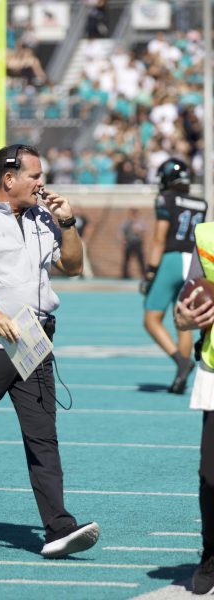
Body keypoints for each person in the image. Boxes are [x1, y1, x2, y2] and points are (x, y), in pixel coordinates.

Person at [0, 144, 100, 557]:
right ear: (9, 179)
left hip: (33, 341)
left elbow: (74, 266)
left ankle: (58, 528)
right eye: (35, 175)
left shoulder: (44, 216)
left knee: (43, 439)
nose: (42, 183)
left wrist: (68, 223)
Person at [140, 157, 207, 393]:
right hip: (194, 260)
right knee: (183, 321)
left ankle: (180, 361)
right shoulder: (201, 202)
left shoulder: (165, 199)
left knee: (151, 319)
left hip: (171, 259)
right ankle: (181, 379)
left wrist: (149, 273)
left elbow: (160, 238)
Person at [174, 221, 214, 595]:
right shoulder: (207, 237)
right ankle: (211, 553)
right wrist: (184, 319)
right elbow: (184, 305)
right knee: (211, 474)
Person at [120, 208, 146, 279]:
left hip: (137, 243)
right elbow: (123, 232)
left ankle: (144, 274)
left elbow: (143, 232)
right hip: (129, 242)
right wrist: (123, 241)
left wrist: (138, 230)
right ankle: (125, 275)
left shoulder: (139, 222)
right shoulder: (127, 222)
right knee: (126, 260)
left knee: (141, 260)